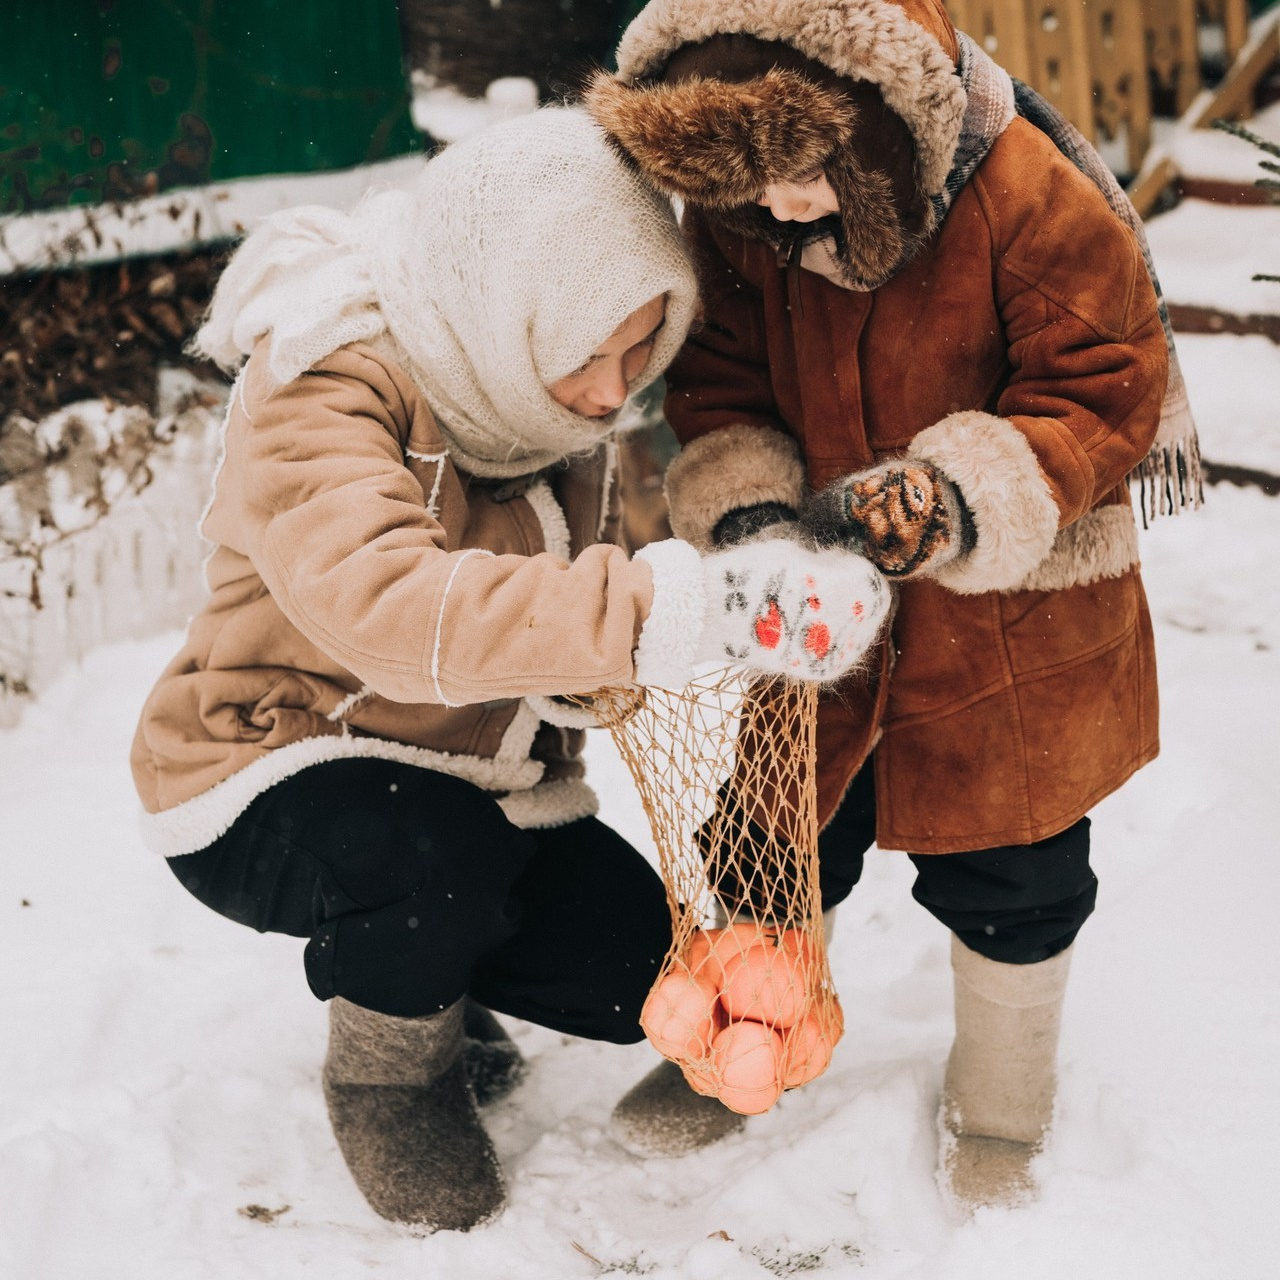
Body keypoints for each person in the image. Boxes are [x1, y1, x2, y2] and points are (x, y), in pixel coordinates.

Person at [128, 106, 889, 1233]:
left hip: (473, 785)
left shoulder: (545, 412)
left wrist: (708, 644)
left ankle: (433, 968)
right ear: (507, 301)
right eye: (587, 352)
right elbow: (385, 606)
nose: (610, 392)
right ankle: (389, 1077)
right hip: (268, 763)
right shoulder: (324, 381)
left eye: (638, 351)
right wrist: (664, 606)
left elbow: (550, 638)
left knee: (640, 977)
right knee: (433, 864)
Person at [588, 0, 1199, 1211]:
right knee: (771, 832)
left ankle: (1002, 1094)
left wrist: (954, 494)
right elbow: (717, 381)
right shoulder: (743, 214)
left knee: (1013, 863)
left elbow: (1101, 380)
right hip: (821, 601)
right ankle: (749, 1040)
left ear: (867, 121)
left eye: (800, 173)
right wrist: (753, 513)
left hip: (1007, 604)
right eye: (746, 189)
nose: (778, 210)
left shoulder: (1019, 191)